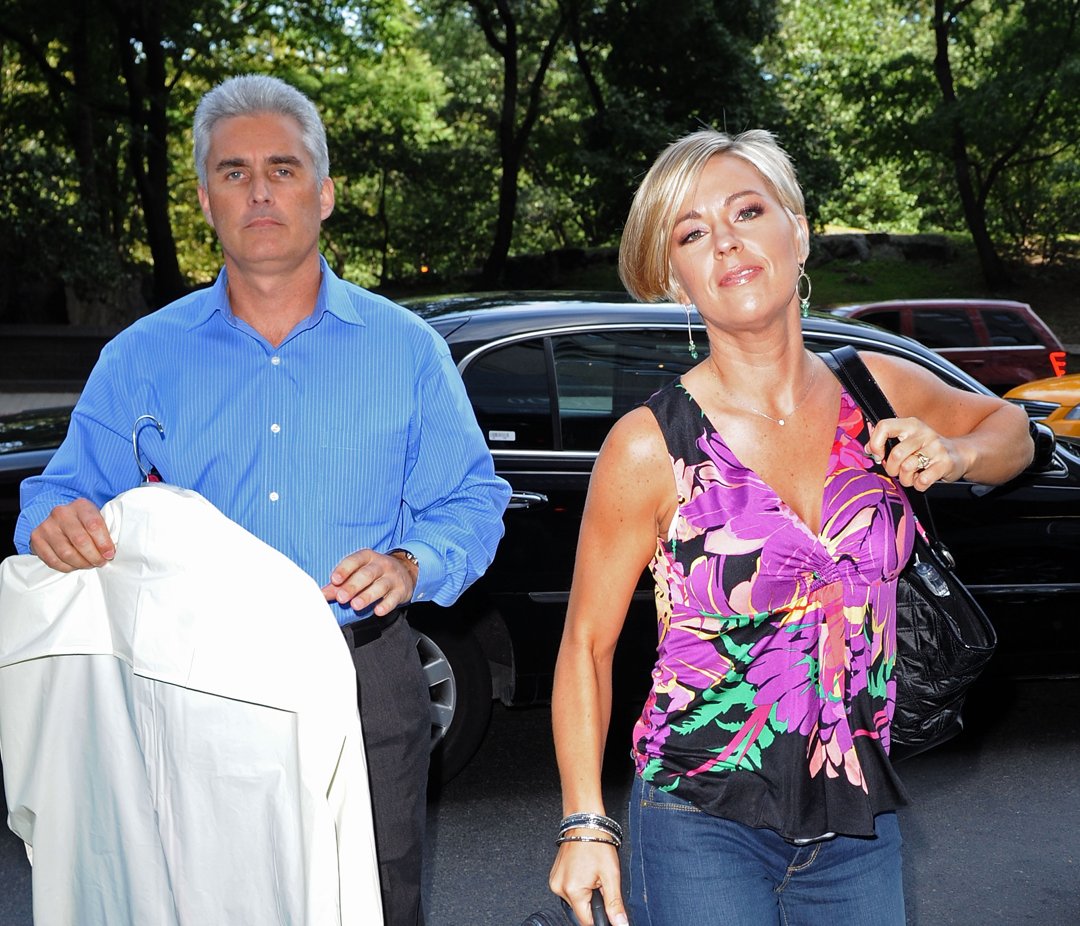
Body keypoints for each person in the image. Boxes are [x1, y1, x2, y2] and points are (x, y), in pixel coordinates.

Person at [15, 74, 511, 926]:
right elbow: (58, 493)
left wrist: (410, 562)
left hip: (362, 670)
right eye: (234, 172)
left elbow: (472, 499)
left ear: (323, 193)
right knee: (202, 895)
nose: (260, 190)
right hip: (187, 681)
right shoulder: (140, 358)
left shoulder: (409, 352)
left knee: (377, 897)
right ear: (206, 199)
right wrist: (52, 522)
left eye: (283, 169)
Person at [547, 128, 1034, 926]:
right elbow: (585, 647)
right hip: (700, 814)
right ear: (676, 280)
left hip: (858, 813)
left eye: (747, 210)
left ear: (797, 230)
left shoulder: (874, 385)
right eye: (693, 233)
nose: (728, 242)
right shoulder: (649, 444)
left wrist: (955, 450)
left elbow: (1011, 433)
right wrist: (584, 821)